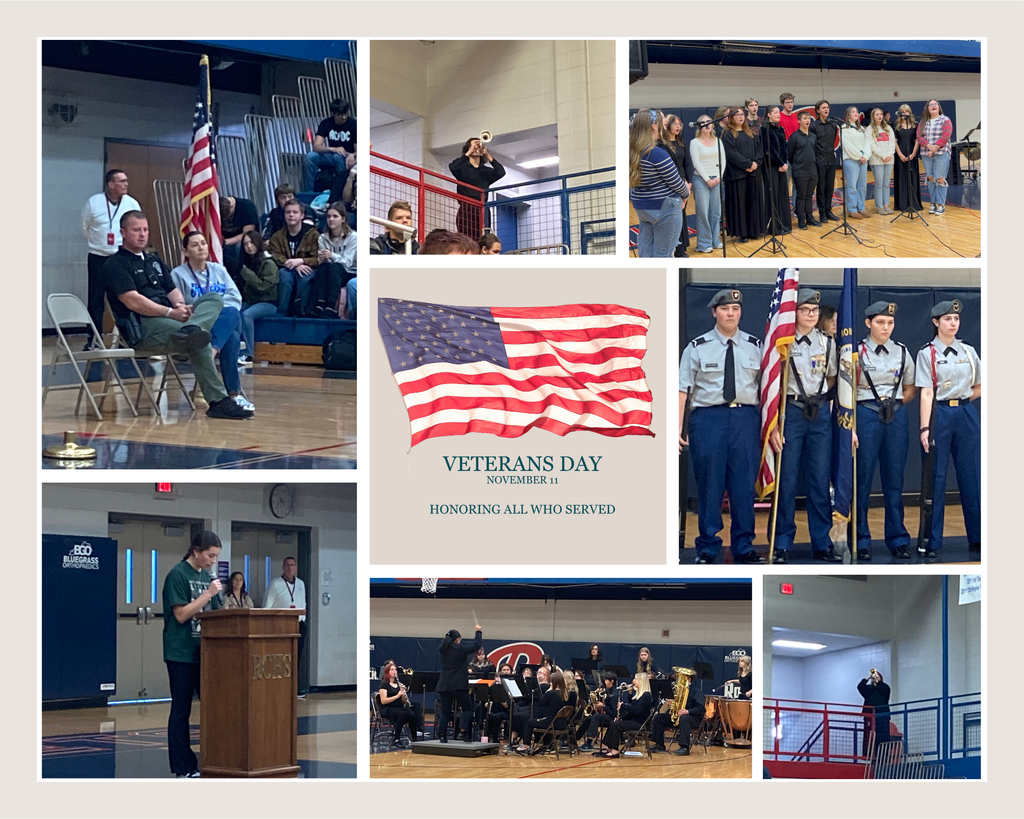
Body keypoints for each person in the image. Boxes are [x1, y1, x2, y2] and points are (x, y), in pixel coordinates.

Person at [99, 211, 252, 420]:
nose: (142, 234)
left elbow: (172, 291)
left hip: (172, 320)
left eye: (145, 229)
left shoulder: (153, 260)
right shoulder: (115, 264)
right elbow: (133, 301)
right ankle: (219, 400)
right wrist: (171, 312)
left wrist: (181, 307)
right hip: (143, 326)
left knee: (214, 298)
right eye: (136, 230)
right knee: (201, 340)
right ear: (123, 233)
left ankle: (194, 328)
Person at [679, 289, 766, 565]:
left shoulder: (756, 346)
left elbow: (766, 389)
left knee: (743, 487)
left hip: (744, 419)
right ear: (714, 312)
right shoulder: (697, 347)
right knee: (710, 486)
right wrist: (675, 429)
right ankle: (707, 547)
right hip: (708, 420)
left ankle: (744, 546)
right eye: (725, 308)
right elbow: (682, 390)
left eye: (736, 309)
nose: (731, 313)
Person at [770, 288, 840, 564]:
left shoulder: (827, 343)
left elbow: (833, 377)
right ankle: (782, 542)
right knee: (786, 480)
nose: (810, 315)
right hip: (792, 412)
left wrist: (819, 397)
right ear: (794, 312)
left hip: (819, 413)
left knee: (820, 480)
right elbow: (773, 383)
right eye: (804, 310)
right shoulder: (783, 342)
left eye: (814, 311)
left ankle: (822, 542)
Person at [916, 300, 981, 557]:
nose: (953, 323)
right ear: (935, 322)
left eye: (955, 319)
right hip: (938, 414)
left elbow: (981, 384)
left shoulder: (968, 350)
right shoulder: (927, 353)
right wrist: (924, 428)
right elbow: (926, 393)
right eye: (947, 319)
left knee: (972, 476)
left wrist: (962, 400)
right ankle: (932, 540)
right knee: (936, 477)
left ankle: (978, 536)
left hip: (965, 413)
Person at [854, 301, 917, 561]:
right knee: (862, 481)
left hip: (895, 416)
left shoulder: (901, 352)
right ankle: (860, 539)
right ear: (868, 323)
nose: (886, 327)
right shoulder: (855, 352)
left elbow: (910, 387)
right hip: (866, 414)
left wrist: (895, 405)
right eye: (880, 322)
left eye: (890, 323)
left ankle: (898, 539)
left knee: (894, 481)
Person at [170, 231, 253, 413]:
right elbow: (180, 305)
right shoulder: (177, 274)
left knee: (232, 313)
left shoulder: (219, 270)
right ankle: (233, 393)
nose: (201, 247)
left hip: (220, 321)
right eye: (195, 245)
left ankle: (211, 351)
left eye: (203, 243)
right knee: (231, 332)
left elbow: (235, 297)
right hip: (198, 325)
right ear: (185, 251)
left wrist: (219, 311)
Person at [162, 531, 223, 778]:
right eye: (210, 555)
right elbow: (181, 614)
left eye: (216, 557)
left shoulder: (206, 575)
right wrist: (207, 594)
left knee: (212, 707)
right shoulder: (177, 574)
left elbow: (216, 613)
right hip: (181, 652)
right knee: (181, 709)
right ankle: (182, 765)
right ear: (196, 551)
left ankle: (213, 758)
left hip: (204, 651)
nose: (212, 561)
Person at [80, 168, 141, 348]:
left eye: (126, 180)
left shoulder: (132, 204)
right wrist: (100, 243)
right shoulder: (94, 202)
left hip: (121, 258)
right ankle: (94, 339)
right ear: (111, 184)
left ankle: (128, 337)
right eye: (121, 181)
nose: (126, 184)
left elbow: (138, 226)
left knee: (124, 298)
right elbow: (84, 228)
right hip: (98, 256)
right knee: (96, 299)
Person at [629, 109, 689, 257]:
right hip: (664, 207)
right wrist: (686, 193)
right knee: (663, 256)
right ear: (654, 126)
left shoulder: (632, 152)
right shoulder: (657, 153)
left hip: (642, 207)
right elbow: (675, 182)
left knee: (646, 254)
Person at [264, 557, 308, 696]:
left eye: (292, 565)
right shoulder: (275, 584)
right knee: (282, 658)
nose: (290, 568)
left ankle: (294, 687)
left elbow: (303, 603)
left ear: (296, 567)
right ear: (283, 567)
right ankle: (279, 686)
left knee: (296, 657)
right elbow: (267, 607)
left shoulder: (301, 584)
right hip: (281, 626)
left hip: (298, 624)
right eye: (287, 565)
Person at [721, 107, 766, 244]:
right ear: (731, 117)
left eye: (742, 114)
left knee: (753, 202)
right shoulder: (727, 134)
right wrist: (747, 164)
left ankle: (754, 230)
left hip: (754, 173)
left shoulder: (751, 132)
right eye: (737, 114)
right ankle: (743, 233)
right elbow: (731, 154)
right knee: (740, 205)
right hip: (737, 175)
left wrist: (755, 163)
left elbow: (760, 149)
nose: (740, 117)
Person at [269, 199, 320, 317]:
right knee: (284, 275)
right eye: (288, 212)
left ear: (302, 215)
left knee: (305, 276)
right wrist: (293, 265)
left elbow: (318, 258)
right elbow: (275, 255)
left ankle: (301, 311)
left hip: (308, 268)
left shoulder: (313, 234)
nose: (291, 215)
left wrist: (302, 261)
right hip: (286, 268)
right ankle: (282, 312)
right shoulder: (277, 236)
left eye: (295, 212)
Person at [449, 137, 506, 238]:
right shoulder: (462, 169)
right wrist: (470, 150)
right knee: (466, 238)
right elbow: (453, 166)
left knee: (484, 237)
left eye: (478, 146)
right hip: (466, 208)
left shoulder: (485, 171)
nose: (476, 147)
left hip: (482, 208)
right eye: (474, 145)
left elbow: (500, 172)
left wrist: (487, 153)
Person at [236, 230, 278, 366]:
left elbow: (263, 286)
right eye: (245, 244)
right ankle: (234, 349)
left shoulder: (269, 263)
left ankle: (248, 354)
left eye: (252, 243)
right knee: (234, 311)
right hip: (251, 301)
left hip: (269, 303)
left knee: (247, 315)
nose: (249, 246)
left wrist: (245, 272)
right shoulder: (246, 261)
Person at [435, 625, 483, 743]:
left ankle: (442, 735)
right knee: (467, 708)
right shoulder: (459, 648)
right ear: (457, 639)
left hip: (444, 685)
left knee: (445, 711)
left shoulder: (442, 650)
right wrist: (478, 632)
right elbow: (476, 645)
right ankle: (463, 732)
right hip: (458, 684)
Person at [659, 114, 694, 257]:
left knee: (682, 217)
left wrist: (689, 183)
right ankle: (674, 250)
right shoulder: (663, 145)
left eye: (680, 124)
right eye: (675, 124)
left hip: (684, 183)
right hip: (673, 184)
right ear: (668, 126)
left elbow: (688, 164)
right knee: (673, 218)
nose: (678, 127)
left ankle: (682, 248)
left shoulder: (681, 143)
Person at [314, 201, 357, 317]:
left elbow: (347, 263)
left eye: (335, 216)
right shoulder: (323, 238)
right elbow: (325, 262)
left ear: (343, 219)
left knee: (333, 267)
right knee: (324, 267)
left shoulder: (353, 237)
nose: (331, 219)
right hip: (332, 270)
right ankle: (319, 304)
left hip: (351, 271)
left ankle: (331, 305)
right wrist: (321, 258)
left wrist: (332, 255)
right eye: (328, 216)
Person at [303, 99, 356, 193]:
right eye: (340, 115)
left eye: (345, 114)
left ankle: (341, 191)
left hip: (347, 157)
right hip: (332, 154)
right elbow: (316, 147)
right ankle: (310, 192)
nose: (344, 117)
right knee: (310, 157)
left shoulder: (353, 124)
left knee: (338, 157)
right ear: (333, 114)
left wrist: (352, 155)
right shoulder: (326, 123)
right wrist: (334, 149)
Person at [689, 115, 724, 253]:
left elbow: (723, 160)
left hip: (717, 179)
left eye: (709, 122)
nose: (707, 124)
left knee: (716, 212)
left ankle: (715, 240)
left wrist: (719, 177)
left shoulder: (718, 141)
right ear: (699, 126)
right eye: (703, 123)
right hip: (701, 180)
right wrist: (707, 179)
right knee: (703, 212)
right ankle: (704, 244)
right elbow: (696, 163)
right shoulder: (694, 142)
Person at [511, 670, 568, 754]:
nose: (550, 683)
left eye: (551, 682)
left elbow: (541, 702)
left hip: (551, 722)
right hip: (562, 723)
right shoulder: (565, 694)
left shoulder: (551, 693)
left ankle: (526, 745)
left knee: (530, 722)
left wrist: (548, 690)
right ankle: (546, 743)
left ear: (555, 682)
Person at [599, 673, 652, 758]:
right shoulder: (639, 695)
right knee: (613, 722)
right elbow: (632, 711)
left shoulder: (646, 695)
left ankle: (615, 751)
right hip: (634, 720)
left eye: (636, 679)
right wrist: (621, 718)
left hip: (640, 723)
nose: (633, 681)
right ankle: (610, 747)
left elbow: (637, 711)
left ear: (641, 681)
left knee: (616, 725)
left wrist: (623, 706)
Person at [651, 673, 704, 755]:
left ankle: (685, 747)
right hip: (678, 717)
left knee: (684, 718)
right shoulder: (677, 691)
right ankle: (659, 744)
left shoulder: (696, 691)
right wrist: (672, 704)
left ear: (689, 679)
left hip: (694, 718)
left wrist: (687, 711)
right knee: (659, 717)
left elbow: (701, 709)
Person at [916, 99, 953, 215]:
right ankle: (933, 203)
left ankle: (941, 204)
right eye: (930, 105)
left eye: (935, 104)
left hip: (941, 154)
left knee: (940, 178)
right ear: (927, 108)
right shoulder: (923, 121)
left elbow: (946, 135)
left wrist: (935, 148)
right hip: (926, 153)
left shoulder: (945, 120)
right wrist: (928, 146)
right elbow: (919, 136)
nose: (933, 106)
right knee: (930, 178)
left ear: (938, 107)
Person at [761, 106, 792, 235]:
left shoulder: (780, 129)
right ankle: (774, 227)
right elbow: (769, 150)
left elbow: (784, 147)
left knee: (783, 195)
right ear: (769, 115)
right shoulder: (764, 129)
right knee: (773, 196)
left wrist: (784, 162)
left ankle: (784, 224)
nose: (779, 115)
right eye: (775, 113)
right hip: (771, 167)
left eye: (779, 112)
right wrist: (779, 162)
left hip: (782, 166)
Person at [786, 110, 819, 230]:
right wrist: (797, 165)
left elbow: (815, 152)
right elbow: (790, 155)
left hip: (812, 170)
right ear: (799, 120)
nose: (807, 120)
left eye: (809, 118)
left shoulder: (813, 136)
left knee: (810, 195)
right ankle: (801, 220)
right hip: (800, 171)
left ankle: (809, 217)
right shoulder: (794, 137)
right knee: (801, 195)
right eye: (805, 118)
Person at [808, 100, 841, 222]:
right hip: (819, 160)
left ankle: (828, 210)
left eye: (827, 107)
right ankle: (822, 212)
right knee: (821, 188)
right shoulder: (814, 126)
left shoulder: (833, 125)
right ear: (818, 110)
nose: (826, 110)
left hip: (831, 160)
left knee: (830, 187)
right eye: (823, 108)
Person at [379, 660, 423, 749]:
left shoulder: (398, 684)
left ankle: (414, 739)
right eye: (391, 670)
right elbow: (383, 701)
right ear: (387, 672)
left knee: (411, 714)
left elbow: (403, 701)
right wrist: (397, 695)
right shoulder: (384, 684)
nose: (394, 671)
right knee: (403, 713)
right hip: (387, 708)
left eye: (395, 669)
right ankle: (396, 739)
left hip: (397, 707)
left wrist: (403, 693)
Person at [841, 106, 872, 220]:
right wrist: (859, 156)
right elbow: (847, 146)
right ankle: (852, 209)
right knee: (852, 185)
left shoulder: (861, 129)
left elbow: (867, 144)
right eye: (853, 111)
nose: (856, 113)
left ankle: (861, 207)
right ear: (848, 115)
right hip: (851, 159)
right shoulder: (844, 128)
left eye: (857, 111)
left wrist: (866, 156)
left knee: (862, 186)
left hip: (863, 160)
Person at [218, 195, 259, 276]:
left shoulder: (246, 206)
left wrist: (225, 242)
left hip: (242, 240)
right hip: (223, 240)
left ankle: (238, 276)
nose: (227, 219)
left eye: (229, 216)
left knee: (238, 248)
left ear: (232, 206)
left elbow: (248, 234)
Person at [893, 105, 923, 213]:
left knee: (912, 177)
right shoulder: (896, 126)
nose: (904, 113)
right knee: (901, 177)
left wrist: (914, 153)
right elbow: (895, 142)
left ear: (909, 113)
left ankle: (913, 203)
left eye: (906, 111)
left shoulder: (915, 126)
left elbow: (917, 140)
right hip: (900, 154)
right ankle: (902, 204)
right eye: (902, 111)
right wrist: (900, 154)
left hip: (912, 154)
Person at [867, 108, 897, 214]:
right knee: (879, 184)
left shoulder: (888, 128)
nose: (879, 116)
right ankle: (879, 206)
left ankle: (886, 204)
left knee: (886, 183)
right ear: (873, 117)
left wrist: (889, 155)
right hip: (877, 160)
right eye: (877, 114)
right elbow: (872, 145)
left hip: (889, 160)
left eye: (881, 114)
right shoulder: (869, 129)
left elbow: (892, 143)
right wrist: (883, 155)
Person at [858, 670, 891, 756]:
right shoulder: (869, 689)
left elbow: (885, 693)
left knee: (882, 735)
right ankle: (868, 755)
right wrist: (867, 678)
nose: (874, 677)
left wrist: (878, 681)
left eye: (877, 675)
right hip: (869, 716)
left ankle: (882, 755)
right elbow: (860, 687)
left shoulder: (885, 687)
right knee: (868, 736)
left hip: (881, 715)